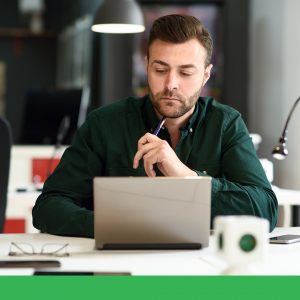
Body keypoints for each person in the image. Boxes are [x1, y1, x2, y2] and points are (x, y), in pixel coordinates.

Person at [32, 14, 278, 238]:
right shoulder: (105, 124)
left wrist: (186, 177)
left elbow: (265, 208)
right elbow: (49, 206)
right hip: (120, 267)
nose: (171, 84)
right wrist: (112, 224)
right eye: (160, 69)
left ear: (205, 75)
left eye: (185, 73)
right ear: (147, 65)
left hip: (202, 268)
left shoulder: (225, 124)